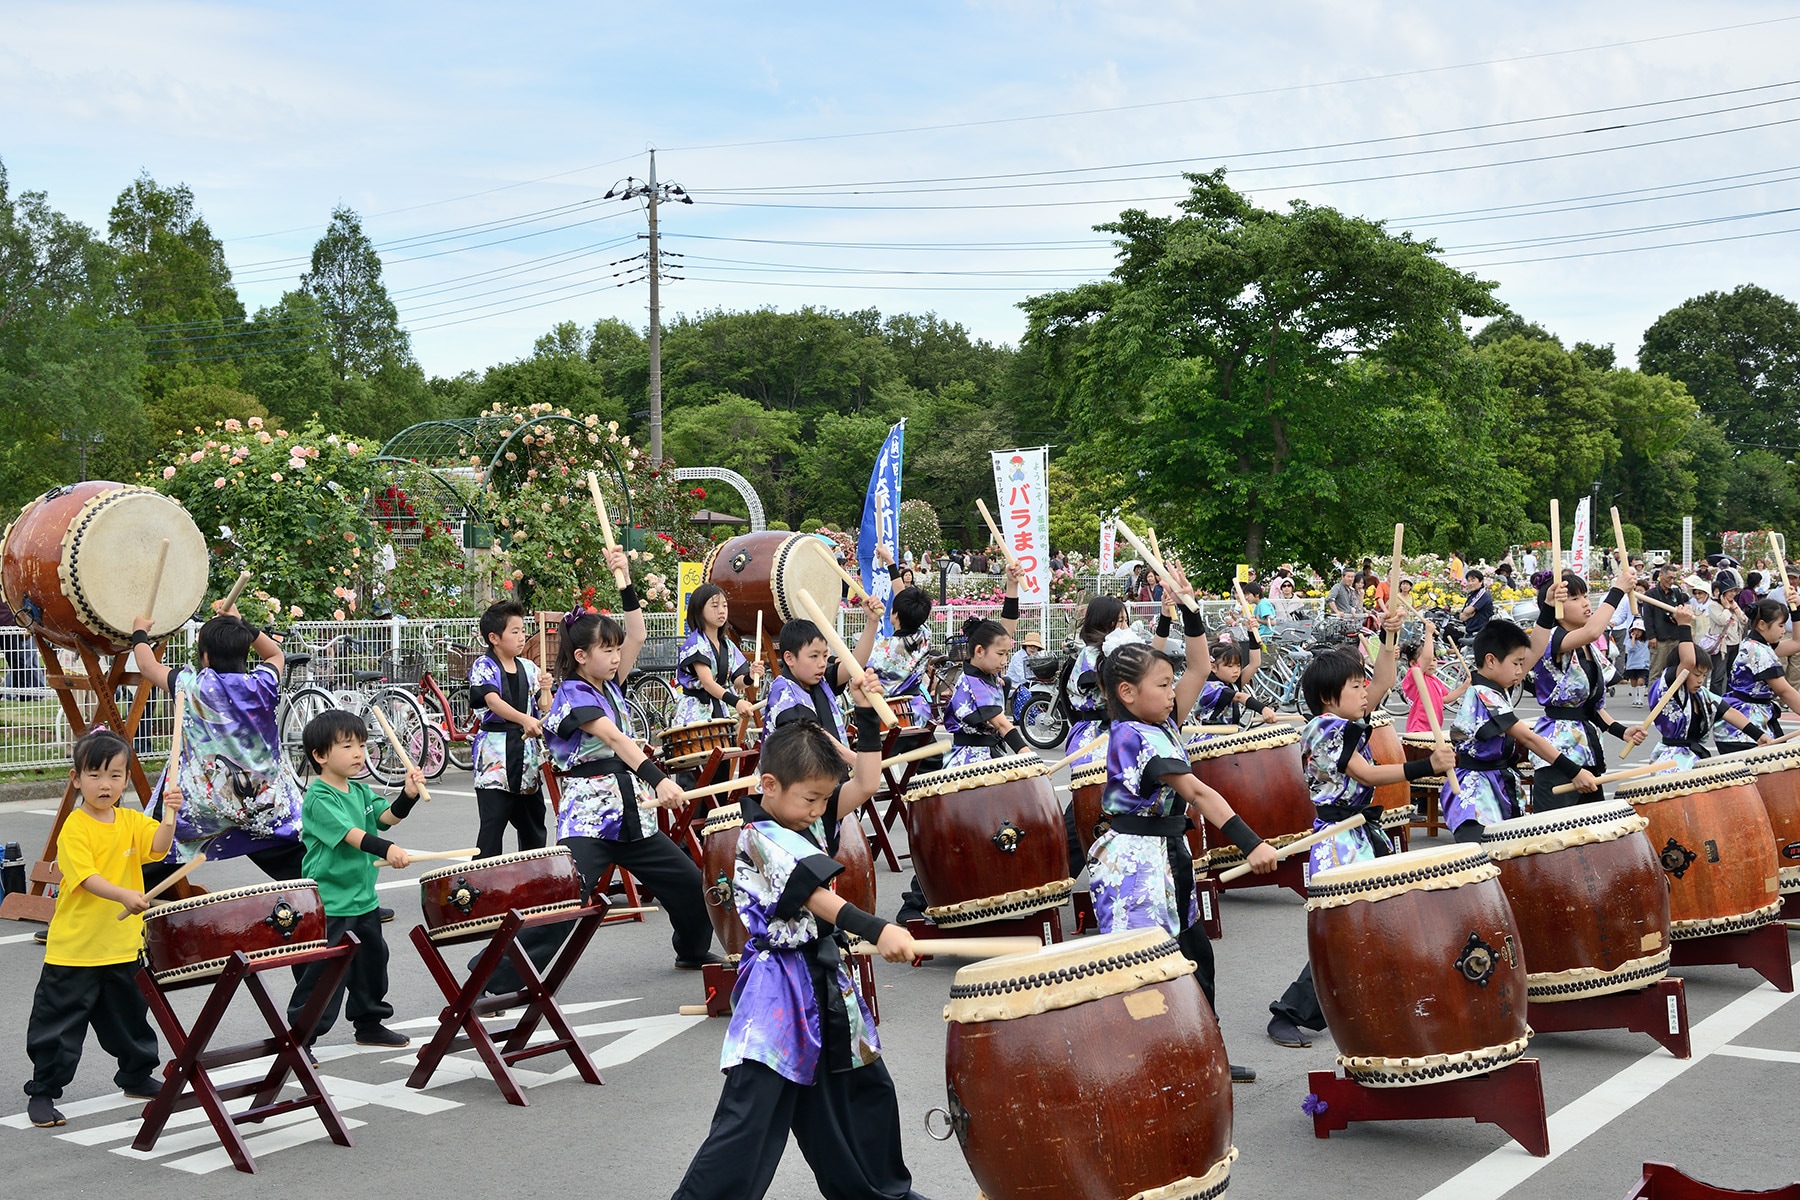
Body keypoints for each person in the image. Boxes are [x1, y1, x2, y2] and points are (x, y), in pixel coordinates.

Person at [670, 716, 925, 1200]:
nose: (820, 810)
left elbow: (867, 782)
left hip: (826, 981)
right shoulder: (761, 836)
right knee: (750, 1120)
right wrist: (879, 928)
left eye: (826, 799)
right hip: (780, 991)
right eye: (812, 798)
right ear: (770, 784)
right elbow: (815, 896)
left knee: (862, 1091)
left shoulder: (804, 813)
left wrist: (867, 720)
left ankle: (881, 1194)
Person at [1088, 563, 1276, 1085]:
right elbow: (1195, 791)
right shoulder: (1133, 736)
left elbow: (1197, 664)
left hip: (1168, 857)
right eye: (1162, 685)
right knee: (1145, 969)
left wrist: (1190, 607)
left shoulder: (1161, 719)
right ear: (1127, 692)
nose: (1174, 692)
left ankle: (1201, 1052)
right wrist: (1250, 842)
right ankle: (1143, 1065)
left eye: (1172, 685)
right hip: (1135, 864)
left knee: (1196, 957)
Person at [1267, 610, 1453, 1049]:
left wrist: (1389, 636)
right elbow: (1366, 776)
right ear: (1329, 698)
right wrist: (1427, 765)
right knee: (1343, 931)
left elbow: (1383, 683)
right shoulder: (1326, 729)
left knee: (1379, 920)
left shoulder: (1342, 721)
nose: (1364, 692)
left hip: (1357, 833)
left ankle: (1386, 999)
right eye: (1355, 687)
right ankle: (1289, 1013)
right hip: (1337, 841)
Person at [546, 548, 720, 969]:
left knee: (690, 885)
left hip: (632, 816)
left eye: (615, 650)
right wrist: (660, 779)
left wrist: (624, 577)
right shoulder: (572, 693)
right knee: (563, 901)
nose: (614, 656)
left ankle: (692, 950)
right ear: (582, 655)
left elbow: (637, 633)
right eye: (605, 650)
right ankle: (497, 971)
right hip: (590, 818)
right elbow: (616, 740)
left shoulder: (610, 685)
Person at [21, 729, 177, 1127]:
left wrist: (171, 814)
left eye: (114, 775)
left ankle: (137, 1075)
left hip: (123, 947)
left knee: (130, 1020)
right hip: (75, 951)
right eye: (94, 775)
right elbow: (87, 878)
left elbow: (158, 845)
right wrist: (124, 894)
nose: (104, 784)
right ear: (76, 779)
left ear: (126, 779)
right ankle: (43, 1091)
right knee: (57, 1028)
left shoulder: (130, 820)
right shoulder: (75, 827)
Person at [129, 599, 304, 884]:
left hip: (203, 803)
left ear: (205, 657)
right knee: (295, 858)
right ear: (245, 652)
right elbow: (275, 655)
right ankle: (342, 909)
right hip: (260, 802)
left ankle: (118, 904)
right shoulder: (262, 684)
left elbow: (148, 667)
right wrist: (243, 624)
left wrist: (140, 632)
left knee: (156, 849)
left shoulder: (193, 686)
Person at [286, 709, 424, 1052]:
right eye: (348, 746)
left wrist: (408, 795)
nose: (359, 753)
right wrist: (387, 848)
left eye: (361, 745)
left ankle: (369, 1022)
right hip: (331, 902)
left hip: (364, 898)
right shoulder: (318, 798)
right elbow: (352, 835)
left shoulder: (360, 792)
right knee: (323, 974)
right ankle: (302, 1036)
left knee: (372, 964)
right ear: (320, 755)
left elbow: (387, 818)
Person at [1442, 621, 1573, 841]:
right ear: (1491, 660)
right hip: (1476, 790)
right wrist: (1573, 771)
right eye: (1516, 663)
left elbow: (1536, 649)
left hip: (1495, 783)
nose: (1521, 670)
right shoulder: (1483, 693)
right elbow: (1528, 738)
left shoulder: (1498, 686)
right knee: (1484, 860)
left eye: (1522, 663)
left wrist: (1547, 608)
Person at [1526, 565, 1642, 811]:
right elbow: (1592, 631)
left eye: (1585, 596)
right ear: (1557, 608)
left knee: (1589, 834)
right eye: (1575, 598)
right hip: (1558, 755)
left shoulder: (1590, 650)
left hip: (1587, 751)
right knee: (1555, 836)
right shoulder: (1552, 640)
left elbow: (1592, 707)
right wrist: (1618, 589)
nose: (1586, 603)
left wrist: (1622, 732)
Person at [468, 600, 548, 860]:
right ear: (494, 638)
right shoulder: (484, 665)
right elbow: (492, 701)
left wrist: (546, 688)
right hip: (495, 757)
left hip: (526, 759)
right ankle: (482, 889)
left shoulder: (529, 667)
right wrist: (525, 719)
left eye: (523, 630)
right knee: (492, 832)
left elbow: (544, 707)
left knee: (534, 830)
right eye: (514, 631)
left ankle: (533, 883)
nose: (522, 636)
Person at [763, 596, 887, 747]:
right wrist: (858, 761)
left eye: (824, 655)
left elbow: (854, 665)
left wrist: (872, 622)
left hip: (827, 766)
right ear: (789, 658)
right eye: (814, 656)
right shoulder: (782, 691)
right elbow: (813, 737)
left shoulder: (821, 682)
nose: (822, 663)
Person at [1648, 644, 1768, 770]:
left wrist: (1759, 735)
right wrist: (1684, 625)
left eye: (1704, 675)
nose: (1700, 680)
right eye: (1696, 674)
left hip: (1693, 756)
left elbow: (1729, 712)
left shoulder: (1702, 694)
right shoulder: (1670, 690)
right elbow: (1688, 662)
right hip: (1671, 761)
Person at [1714, 596, 1800, 756]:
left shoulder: (1754, 644)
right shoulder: (1760, 653)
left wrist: (1797, 611)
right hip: (1748, 728)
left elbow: (1797, 643)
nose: (1783, 630)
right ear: (1762, 625)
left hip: (1740, 723)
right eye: (1780, 625)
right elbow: (1785, 692)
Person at [864, 547, 936, 727]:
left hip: (891, 717)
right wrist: (890, 561)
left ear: (894, 615)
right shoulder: (925, 635)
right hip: (920, 713)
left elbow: (857, 669)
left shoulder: (881, 649)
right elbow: (901, 594)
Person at [671, 584, 761, 728]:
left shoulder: (727, 645)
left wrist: (750, 675)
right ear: (699, 611)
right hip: (696, 713)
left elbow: (737, 682)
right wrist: (736, 702)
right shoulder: (695, 644)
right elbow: (707, 683)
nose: (721, 611)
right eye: (715, 606)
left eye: (724, 606)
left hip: (722, 710)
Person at [1398, 621, 1469, 734]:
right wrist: (1429, 633)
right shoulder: (1414, 675)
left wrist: (1465, 686)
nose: (1431, 663)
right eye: (1429, 660)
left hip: (1434, 728)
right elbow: (1427, 657)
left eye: (1435, 660)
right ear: (1412, 663)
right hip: (1418, 728)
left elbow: (1446, 699)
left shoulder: (1434, 679)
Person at [1191, 640, 1276, 729]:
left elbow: (1254, 664)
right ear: (1213, 667)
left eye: (1238, 665)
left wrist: (1252, 634)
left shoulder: (1232, 684)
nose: (1236, 670)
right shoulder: (1212, 688)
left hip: (1229, 735)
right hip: (1212, 737)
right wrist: (1263, 709)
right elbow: (1240, 697)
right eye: (1230, 666)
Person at [1643, 563, 1690, 680]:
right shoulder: (1650, 595)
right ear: (1661, 576)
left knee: (1675, 670)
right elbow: (1647, 617)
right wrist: (1651, 636)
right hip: (1659, 638)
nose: (1671, 581)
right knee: (1656, 671)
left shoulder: (1676, 593)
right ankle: (1654, 697)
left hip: (1674, 635)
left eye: (1674, 578)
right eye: (1669, 578)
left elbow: (1681, 610)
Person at [1006, 630, 1043, 722]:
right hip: (1015, 687)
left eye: (1035, 646)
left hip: (1029, 684)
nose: (1033, 648)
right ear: (1025, 646)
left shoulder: (1037, 657)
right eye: (1030, 646)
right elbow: (1022, 678)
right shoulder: (1017, 657)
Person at [1459, 568, 1494, 640]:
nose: (1470, 583)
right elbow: (1462, 617)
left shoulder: (1483, 593)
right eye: (1468, 581)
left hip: (1480, 634)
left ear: (1481, 581)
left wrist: (1467, 614)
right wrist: (1467, 615)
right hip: (1471, 632)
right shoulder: (1472, 595)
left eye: (1473, 580)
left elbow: (1467, 611)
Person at [1622, 620, 1651, 707]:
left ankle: (1640, 700)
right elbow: (1631, 648)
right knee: (1633, 682)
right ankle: (1635, 700)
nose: (1636, 632)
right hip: (1632, 665)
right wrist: (1633, 638)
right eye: (1634, 630)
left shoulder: (1646, 642)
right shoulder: (1629, 641)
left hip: (1643, 665)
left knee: (1641, 681)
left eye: (1638, 630)